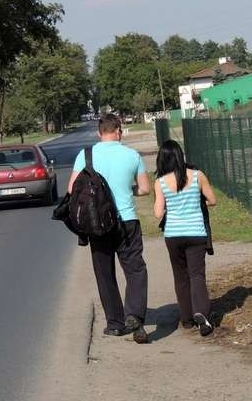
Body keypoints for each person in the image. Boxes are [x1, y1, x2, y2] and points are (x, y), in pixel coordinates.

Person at [67, 113, 151, 343]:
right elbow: (145, 189)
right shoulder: (132, 155)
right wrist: (128, 191)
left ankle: (115, 323)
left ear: (99, 132)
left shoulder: (86, 156)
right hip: (127, 221)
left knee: (104, 273)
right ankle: (134, 313)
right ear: (119, 130)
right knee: (135, 268)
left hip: (98, 224)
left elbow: (72, 188)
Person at [153, 140, 217, 337]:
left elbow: (157, 213)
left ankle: (187, 318)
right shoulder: (197, 176)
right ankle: (202, 314)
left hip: (173, 234)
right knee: (196, 274)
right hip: (196, 232)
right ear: (181, 156)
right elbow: (213, 200)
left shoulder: (161, 182)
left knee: (180, 276)